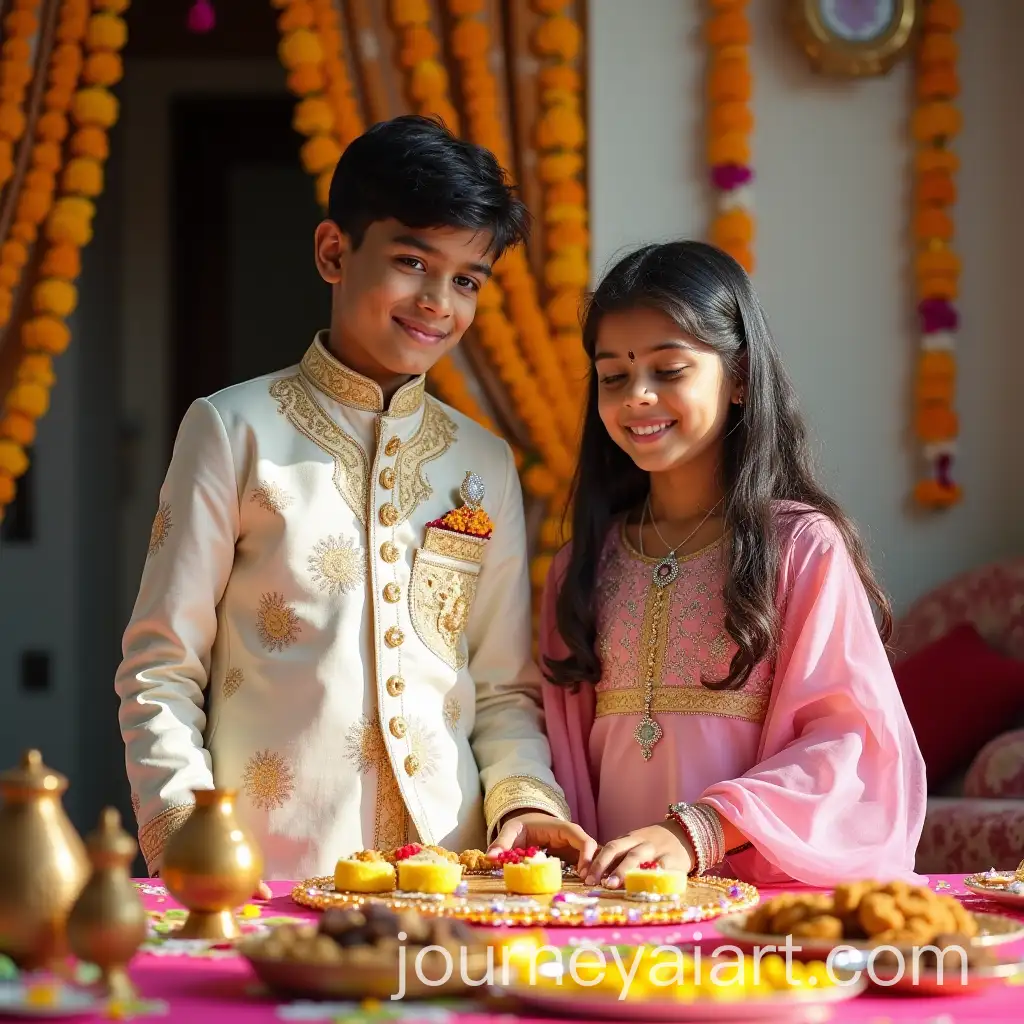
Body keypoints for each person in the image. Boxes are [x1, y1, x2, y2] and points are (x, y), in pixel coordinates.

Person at [115, 115, 576, 884]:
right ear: (335, 251)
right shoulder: (233, 429)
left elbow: (502, 690)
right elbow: (161, 668)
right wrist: (191, 845)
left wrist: (527, 806)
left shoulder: (483, 463)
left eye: (466, 279)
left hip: (451, 877)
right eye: (411, 261)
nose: (438, 301)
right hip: (269, 874)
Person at [530, 240, 927, 887]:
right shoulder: (583, 566)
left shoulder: (800, 547)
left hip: (753, 909)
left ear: (739, 377)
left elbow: (848, 744)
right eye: (614, 376)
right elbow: (561, 752)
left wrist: (700, 831)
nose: (638, 396)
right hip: (609, 908)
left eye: (668, 370)